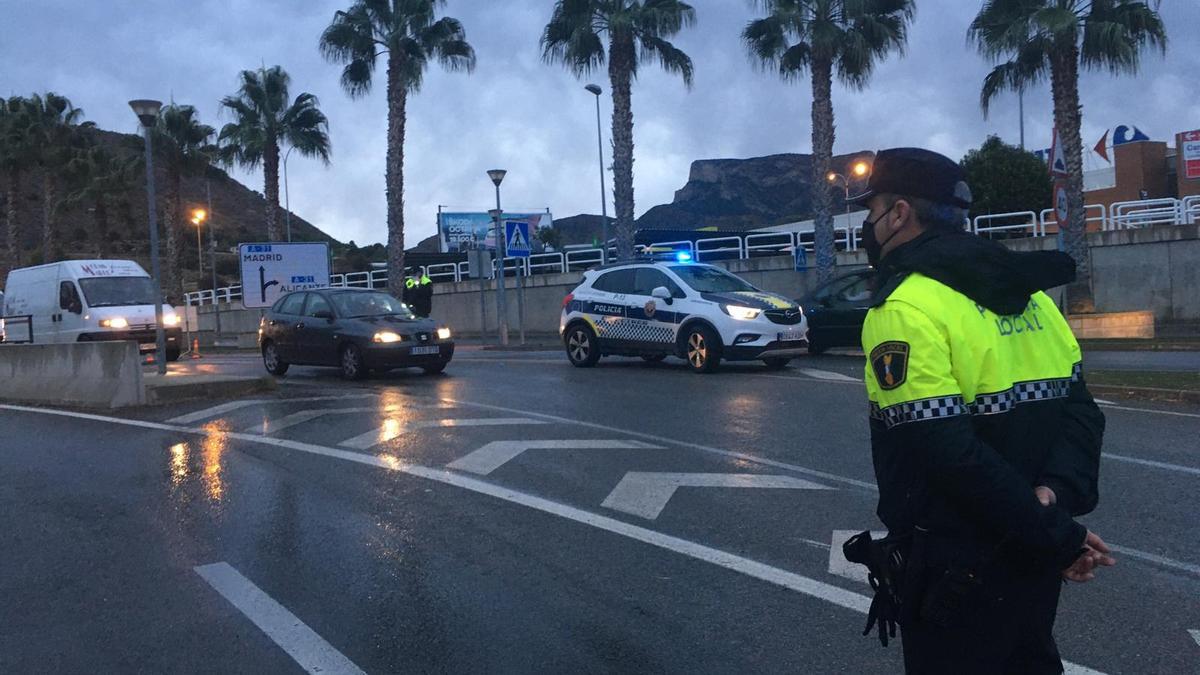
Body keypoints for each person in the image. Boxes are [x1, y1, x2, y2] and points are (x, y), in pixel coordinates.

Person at [847, 148, 1114, 674]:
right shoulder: (1030, 297)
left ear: (899, 213)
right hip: (1030, 554)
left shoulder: (905, 307)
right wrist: (1052, 504)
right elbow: (1082, 416)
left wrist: (1055, 534)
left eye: (871, 210)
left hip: (954, 562)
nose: (867, 225)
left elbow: (945, 454)